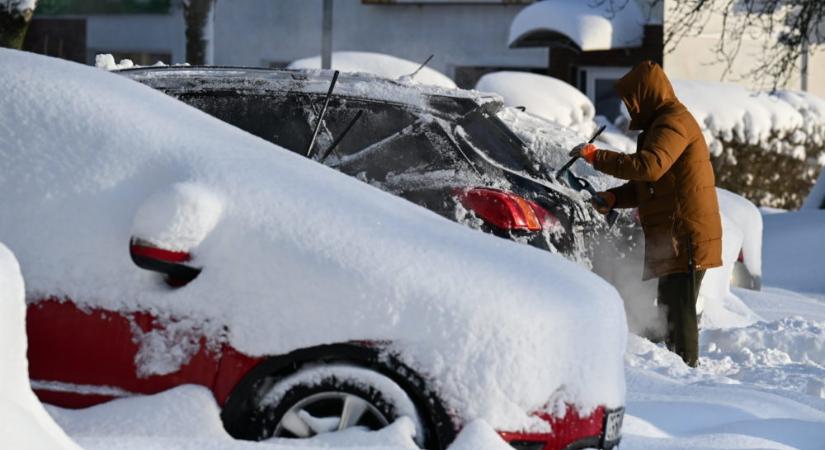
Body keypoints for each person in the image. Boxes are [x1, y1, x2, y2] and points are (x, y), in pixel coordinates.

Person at [569, 60, 723, 367]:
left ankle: (688, 377)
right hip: (675, 235)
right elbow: (649, 185)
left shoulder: (673, 123)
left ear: (647, 95)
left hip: (686, 235)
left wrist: (596, 157)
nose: (628, 108)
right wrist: (613, 197)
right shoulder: (661, 123)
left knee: (678, 315)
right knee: (669, 310)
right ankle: (680, 369)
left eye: (632, 101)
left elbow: (649, 167)